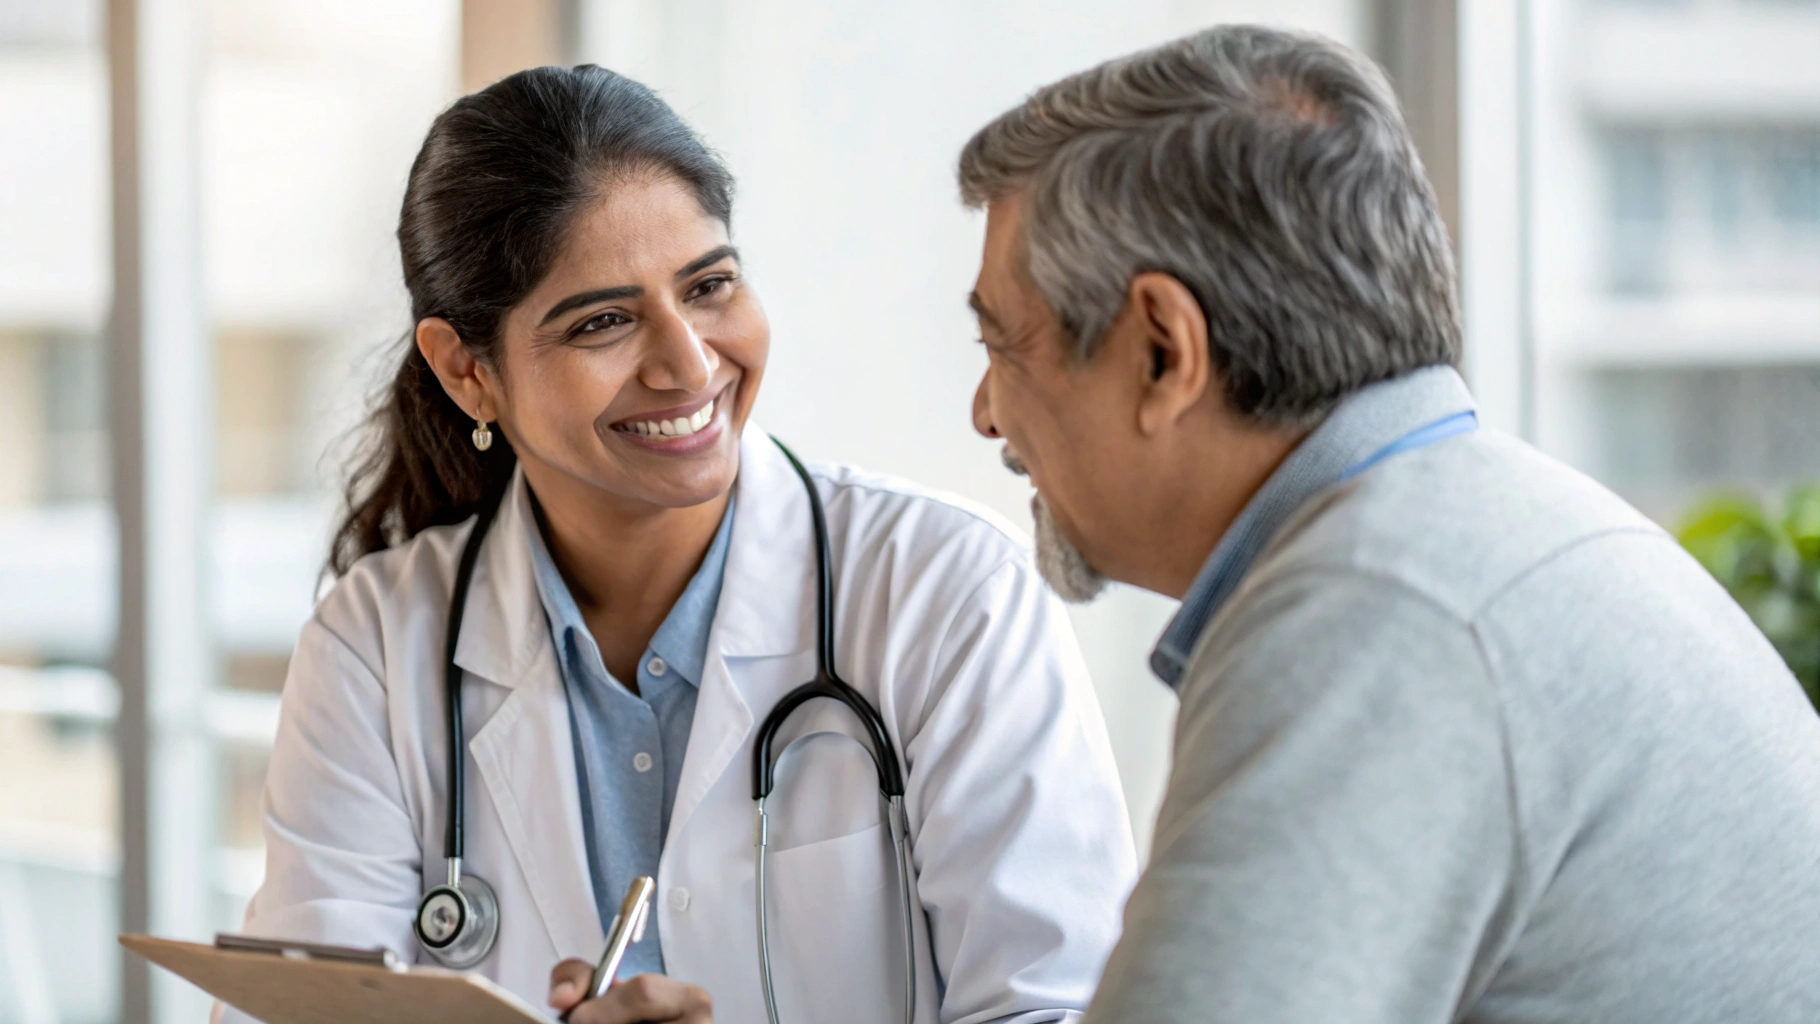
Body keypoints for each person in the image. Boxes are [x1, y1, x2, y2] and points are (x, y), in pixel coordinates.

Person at [220, 65, 1136, 1024]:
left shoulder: (947, 592)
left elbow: (1060, 1006)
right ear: (466, 372)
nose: (689, 363)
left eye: (709, 286)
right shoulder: (376, 644)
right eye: (604, 321)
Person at [958, 24, 1820, 1024]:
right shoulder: (1501, 524)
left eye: (1003, 344)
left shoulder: (1373, 608)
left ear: (1161, 350)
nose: (985, 410)